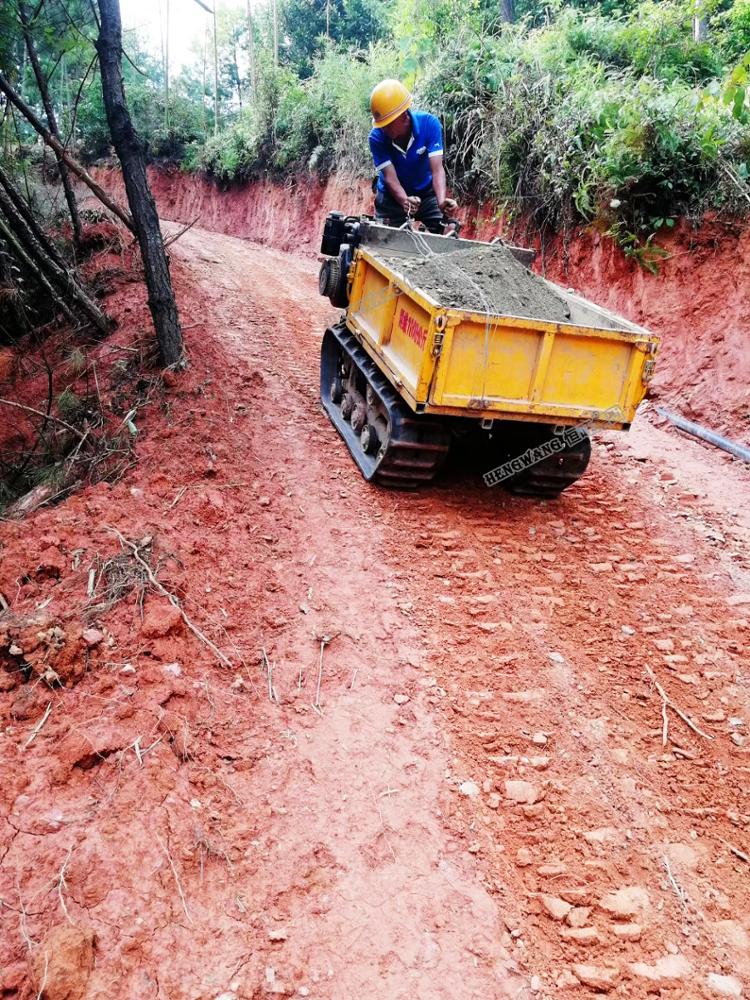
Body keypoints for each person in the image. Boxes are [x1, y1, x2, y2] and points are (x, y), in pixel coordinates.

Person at [368, 79, 458, 234]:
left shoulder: (430, 124)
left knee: (448, 231)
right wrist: (405, 201)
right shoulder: (376, 137)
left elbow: (437, 169)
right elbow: (390, 178)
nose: (384, 129)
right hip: (390, 199)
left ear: (404, 116)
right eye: (381, 125)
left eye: (388, 124)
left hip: (425, 193)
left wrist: (442, 201)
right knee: (381, 240)